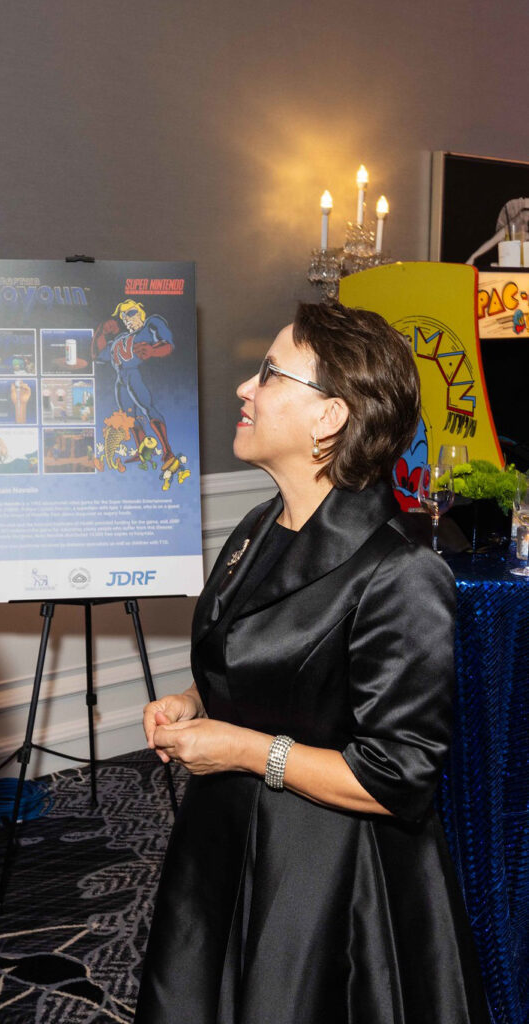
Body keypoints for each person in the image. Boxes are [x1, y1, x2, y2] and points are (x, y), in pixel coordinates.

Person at [136, 302, 487, 1023]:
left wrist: (239, 748)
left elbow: (397, 778)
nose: (245, 388)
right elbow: (269, 662)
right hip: (222, 844)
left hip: (325, 880)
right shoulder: (261, 524)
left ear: (329, 418)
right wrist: (195, 701)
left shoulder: (400, 572)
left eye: (268, 374)